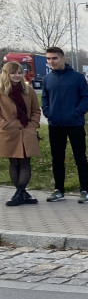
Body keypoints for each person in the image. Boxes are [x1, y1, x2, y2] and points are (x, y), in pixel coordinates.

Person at [40, 46, 88, 203]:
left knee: (80, 158)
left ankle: (85, 191)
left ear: (63, 58)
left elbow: (86, 98)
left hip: (75, 124)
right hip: (55, 125)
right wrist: (48, 113)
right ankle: (58, 190)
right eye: (48, 59)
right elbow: (45, 98)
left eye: (54, 58)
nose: (51, 62)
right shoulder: (47, 79)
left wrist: (76, 113)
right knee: (57, 159)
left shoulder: (77, 78)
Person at [0, 61, 42, 206]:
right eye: (13, 73)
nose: (17, 75)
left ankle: (19, 194)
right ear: (6, 74)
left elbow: (36, 110)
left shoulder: (28, 90)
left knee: (25, 162)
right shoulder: (1, 91)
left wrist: (33, 125)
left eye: (19, 72)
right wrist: (5, 124)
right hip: (8, 132)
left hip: (27, 132)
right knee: (13, 162)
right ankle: (22, 194)